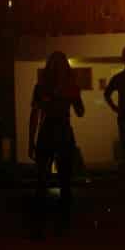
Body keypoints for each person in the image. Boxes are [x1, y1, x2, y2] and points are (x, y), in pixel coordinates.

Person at [29, 52, 84, 238]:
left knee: (53, 182)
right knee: (52, 182)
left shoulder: (45, 87)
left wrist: (74, 94)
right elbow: (80, 111)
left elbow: (79, 110)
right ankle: (54, 225)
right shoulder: (44, 87)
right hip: (57, 133)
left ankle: (50, 225)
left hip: (55, 133)